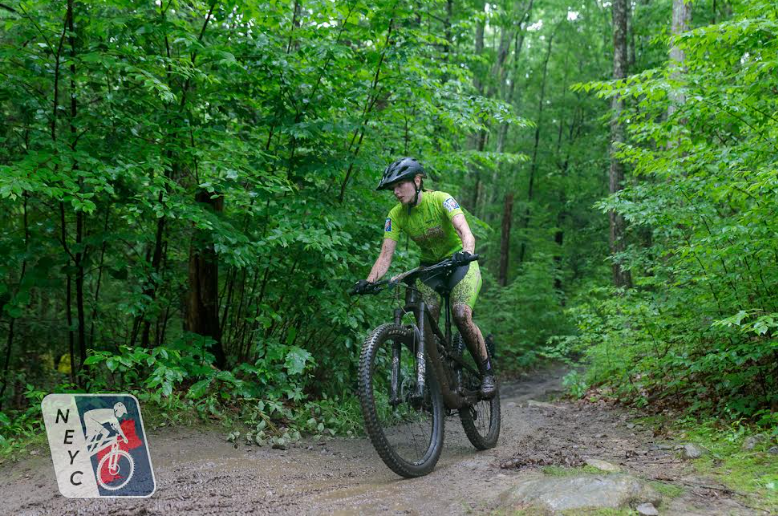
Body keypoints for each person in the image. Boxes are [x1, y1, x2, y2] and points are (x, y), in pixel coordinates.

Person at [354, 157, 495, 397]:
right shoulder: (395, 215)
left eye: (401, 185)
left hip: (460, 264)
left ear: (417, 181)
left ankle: (487, 371)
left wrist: (466, 252)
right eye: (393, 188)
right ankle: (437, 377)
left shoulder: (442, 199)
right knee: (423, 323)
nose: (396, 192)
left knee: (461, 314)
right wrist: (369, 281)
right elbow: (385, 256)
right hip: (430, 269)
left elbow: (465, 232)